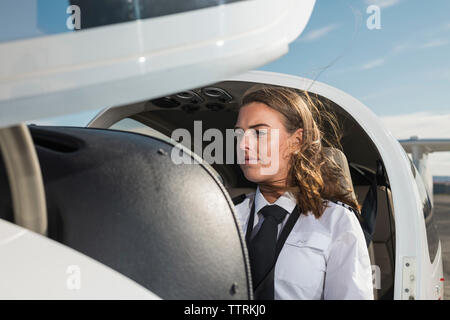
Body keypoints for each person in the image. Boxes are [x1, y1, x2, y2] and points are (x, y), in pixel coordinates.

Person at [233, 85, 374, 300]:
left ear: (296, 141)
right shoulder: (226, 215)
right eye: (239, 134)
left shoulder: (337, 222)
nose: (243, 144)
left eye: (259, 133)